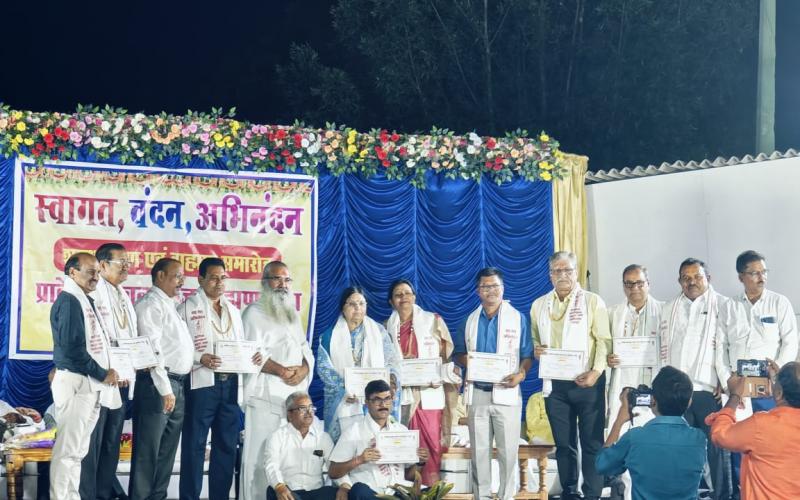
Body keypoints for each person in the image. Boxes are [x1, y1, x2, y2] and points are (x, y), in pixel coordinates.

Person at [659, 257, 744, 500]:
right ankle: (686, 494)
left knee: (716, 447)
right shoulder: (669, 308)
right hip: (678, 393)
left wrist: (725, 379)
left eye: (697, 277)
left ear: (709, 278)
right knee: (680, 447)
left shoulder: (725, 305)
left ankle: (722, 495)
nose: (691, 282)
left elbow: (734, 347)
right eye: (686, 278)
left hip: (709, 389)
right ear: (679, 281)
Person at [531, 252, 611, 500]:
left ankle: (593, 494)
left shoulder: (592, 301)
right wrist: (536, 351)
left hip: (587, 382)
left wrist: (596, 372)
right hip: (555, 386)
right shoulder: (539, 305)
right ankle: (569, 491)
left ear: (576, 272)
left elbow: (603, 340)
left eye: (567, 270)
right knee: (564, 444)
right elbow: (535, 340)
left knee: (591, 443)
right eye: (557, 271)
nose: (562, 275)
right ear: (550, 275)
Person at [178, 257, 259, 500]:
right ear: (200, 279)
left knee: (226, 447)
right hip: (202, 384)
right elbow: (176, 347)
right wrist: (198, 357)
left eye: (223, 277)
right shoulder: (186, 308)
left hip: (231, 384)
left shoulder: (234, 310)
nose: (219, 282)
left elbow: (240, 346)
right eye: (213, 277)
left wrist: (251, 357)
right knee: (195, 446)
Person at [454, 267, 533, 500]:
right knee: (479, 454)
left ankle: (507, 497)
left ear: (503, 288)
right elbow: (458, 352)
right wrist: (467, 360)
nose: (491, 291)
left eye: (495, 286)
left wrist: (521, 374)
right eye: (486, 287)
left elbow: (527, 354)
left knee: (509, 453)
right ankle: (481, 497)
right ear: (478, 291)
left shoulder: (517, 318)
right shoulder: (468, 321)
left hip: (507, 394)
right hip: (477, 395)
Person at [240, 261, 314, 500]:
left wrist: (304, 369)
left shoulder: (292, 315)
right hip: (265, 400)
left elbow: (306, 349)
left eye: (287, 280)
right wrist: (282, 371)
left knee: (285, 461)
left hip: (293, 403)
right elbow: (250, 354)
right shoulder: (253, 313)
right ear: (265, 283)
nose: (283, 285)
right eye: (277, 279)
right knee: (259, 459)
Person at [50, 252, 119, 500]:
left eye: (98, 272)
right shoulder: (70, 301)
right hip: (77, 382)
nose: (96, 277)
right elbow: (73, 351)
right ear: (72, 272)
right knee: (67, 450)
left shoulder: (84, 299)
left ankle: (71, 496)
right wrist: (104, 373)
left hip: (90, 384)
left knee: (78, 451)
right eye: (90, 272)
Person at [129, 258, 193, 500]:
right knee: (148, 452)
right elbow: (152, 351)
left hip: (176, 385)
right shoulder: (150, 305)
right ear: (160, 276)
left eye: (182, 276)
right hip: (157, 386)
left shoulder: (170, 305)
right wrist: (166, 389)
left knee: (166, 453)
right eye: (177, 276)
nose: (182, 281)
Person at [386, 279, 458, 485]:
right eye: (398, 295)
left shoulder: (433, 320)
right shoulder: (384, 328)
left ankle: (431, 491)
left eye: (407, 293)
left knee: (430, 450)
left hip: (429, 395)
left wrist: (441, 375)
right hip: (402, 398)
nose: (404, 298)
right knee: (404, 449)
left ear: (415, 297)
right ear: (391, 301)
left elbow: (446, 357)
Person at [596, 366, 707, 500]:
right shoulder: (699, 439)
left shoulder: (635, 438)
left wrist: (619, 422)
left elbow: (602, 465)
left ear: (653, 400)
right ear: (689, 402)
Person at [82, 242, 137, 500]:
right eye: (121, 262)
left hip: (122, 380)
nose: (127, 266)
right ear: (102, 266)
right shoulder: (95, 292)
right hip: (101, 380)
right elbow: (96, 340)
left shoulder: (121, 293)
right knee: (93, 446)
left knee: (111, 444)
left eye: (128, 262)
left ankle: (104, 494)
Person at [317, 286, 402, 442]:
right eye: (352, 304)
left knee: (372, 444)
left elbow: (392, 360)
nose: (357, 308)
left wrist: (391, 379)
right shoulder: (328, 336)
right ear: (343, 308)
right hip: (345, 399)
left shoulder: (379, 331)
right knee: (346, 446)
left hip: (374, 399)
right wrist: (344, 390)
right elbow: (324, 369)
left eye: (361, 303)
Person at [717, 250, 798, 412]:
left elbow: (791, 342)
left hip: (770, 385)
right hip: (738, 385)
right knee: (740, 434)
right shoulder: (729, 307)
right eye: (755, 273)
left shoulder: (779, 303)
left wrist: (777, 375)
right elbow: (720, 346)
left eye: (764, 272)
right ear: (741, 277)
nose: (762, 277)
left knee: (770, 434)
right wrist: (728, 381)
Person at [706, 361, 800, 499]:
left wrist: (735, 396)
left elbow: (720, 435)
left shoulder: (761, 425)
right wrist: (779, 382)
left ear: (779, 393)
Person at [328, 380, 430, 498]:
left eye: (387, 399)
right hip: (371, 494)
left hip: (397, 493)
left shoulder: (401, 431)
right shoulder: (353, 431)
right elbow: (333, 472)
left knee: (432, 492)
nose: (383, 404)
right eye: (377, 400)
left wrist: (420, 462)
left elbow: (408, 476)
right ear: (367, 402)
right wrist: (360, 460)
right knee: (360, 490)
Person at [264, 392, 343, 500]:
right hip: (290, 492)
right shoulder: (277, 437)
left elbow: (334, 467)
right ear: (290, 414)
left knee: (334, 492)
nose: (309, 412)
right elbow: (271, 464)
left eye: (311, 407)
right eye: (302, 408)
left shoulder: (323, 437)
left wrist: (344, 486)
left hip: (316, 493)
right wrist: (279, 486)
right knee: (272, 490)